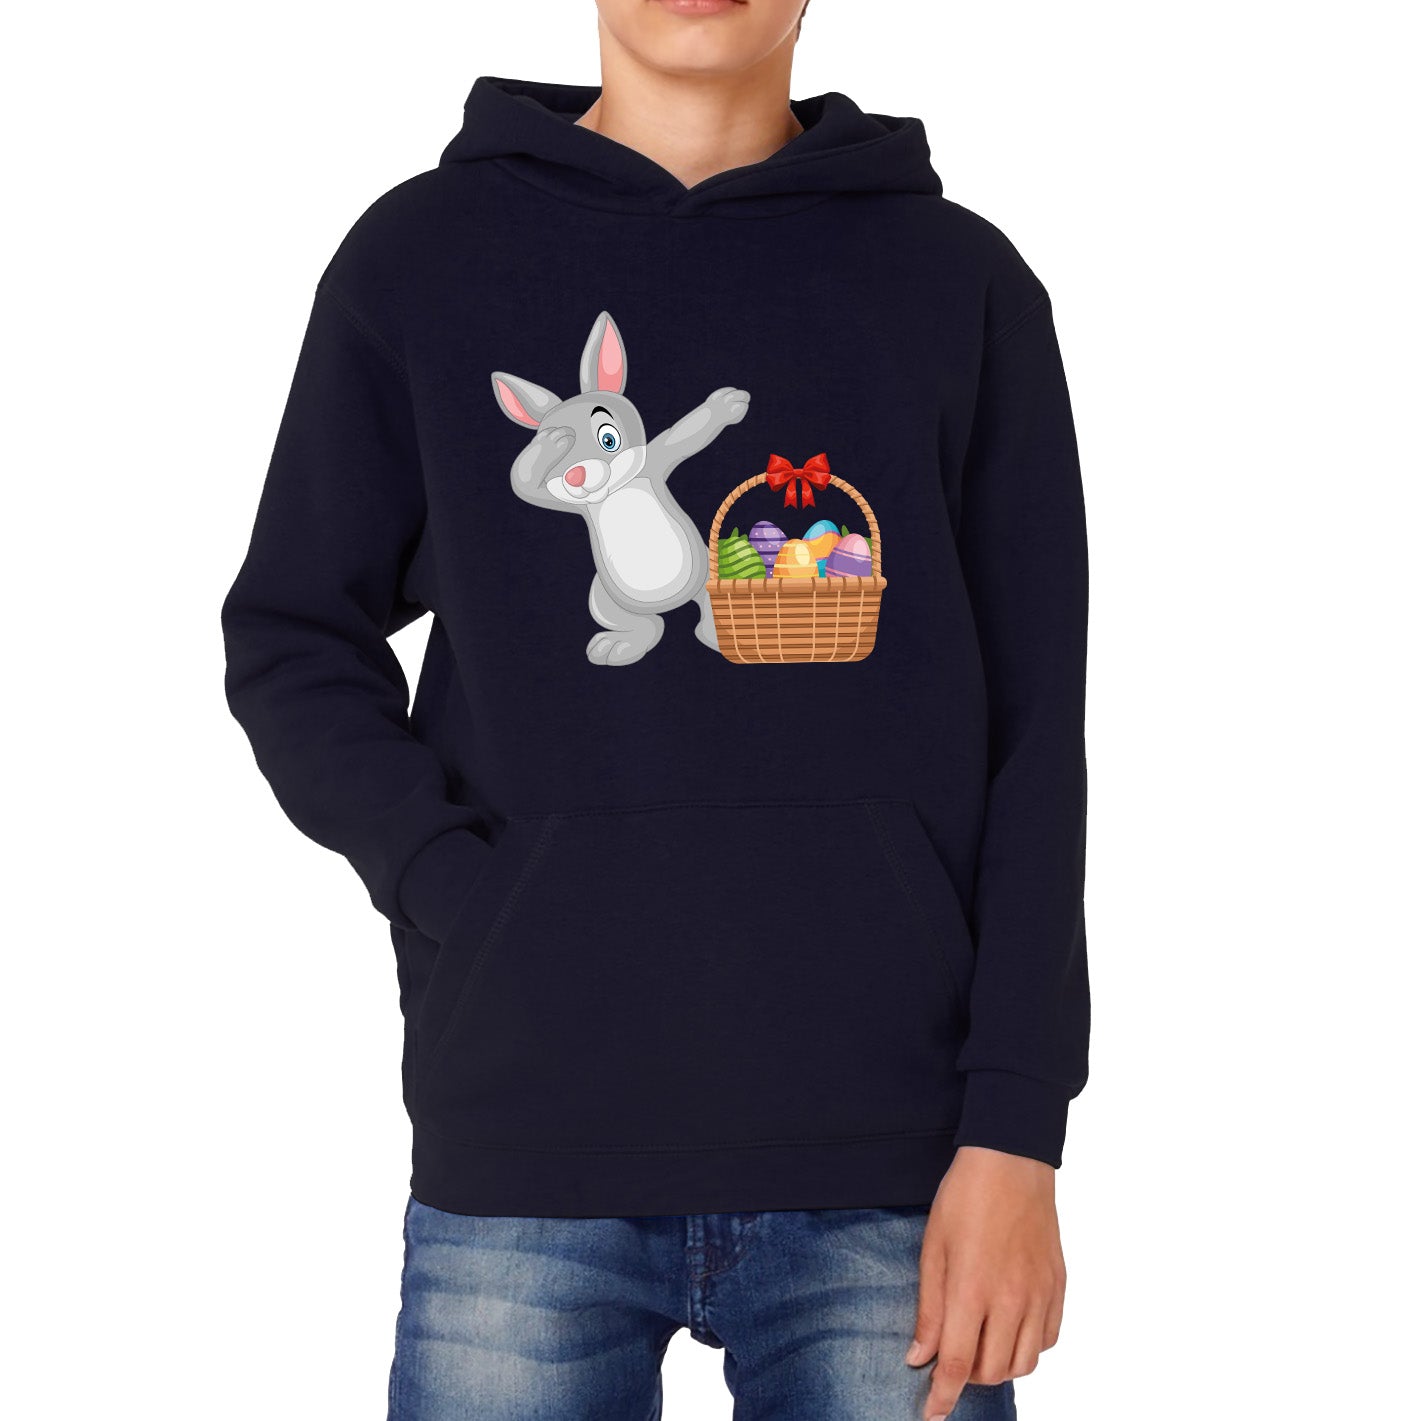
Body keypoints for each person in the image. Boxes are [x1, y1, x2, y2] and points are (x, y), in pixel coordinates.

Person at [219, 1, 1089, 1417]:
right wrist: (458, 885)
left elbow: (1037, 732)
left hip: (896, 1161)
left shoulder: (957, 282)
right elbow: (292, 635)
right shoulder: (420, 260)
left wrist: (1017, 1127)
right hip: (526, 1135)